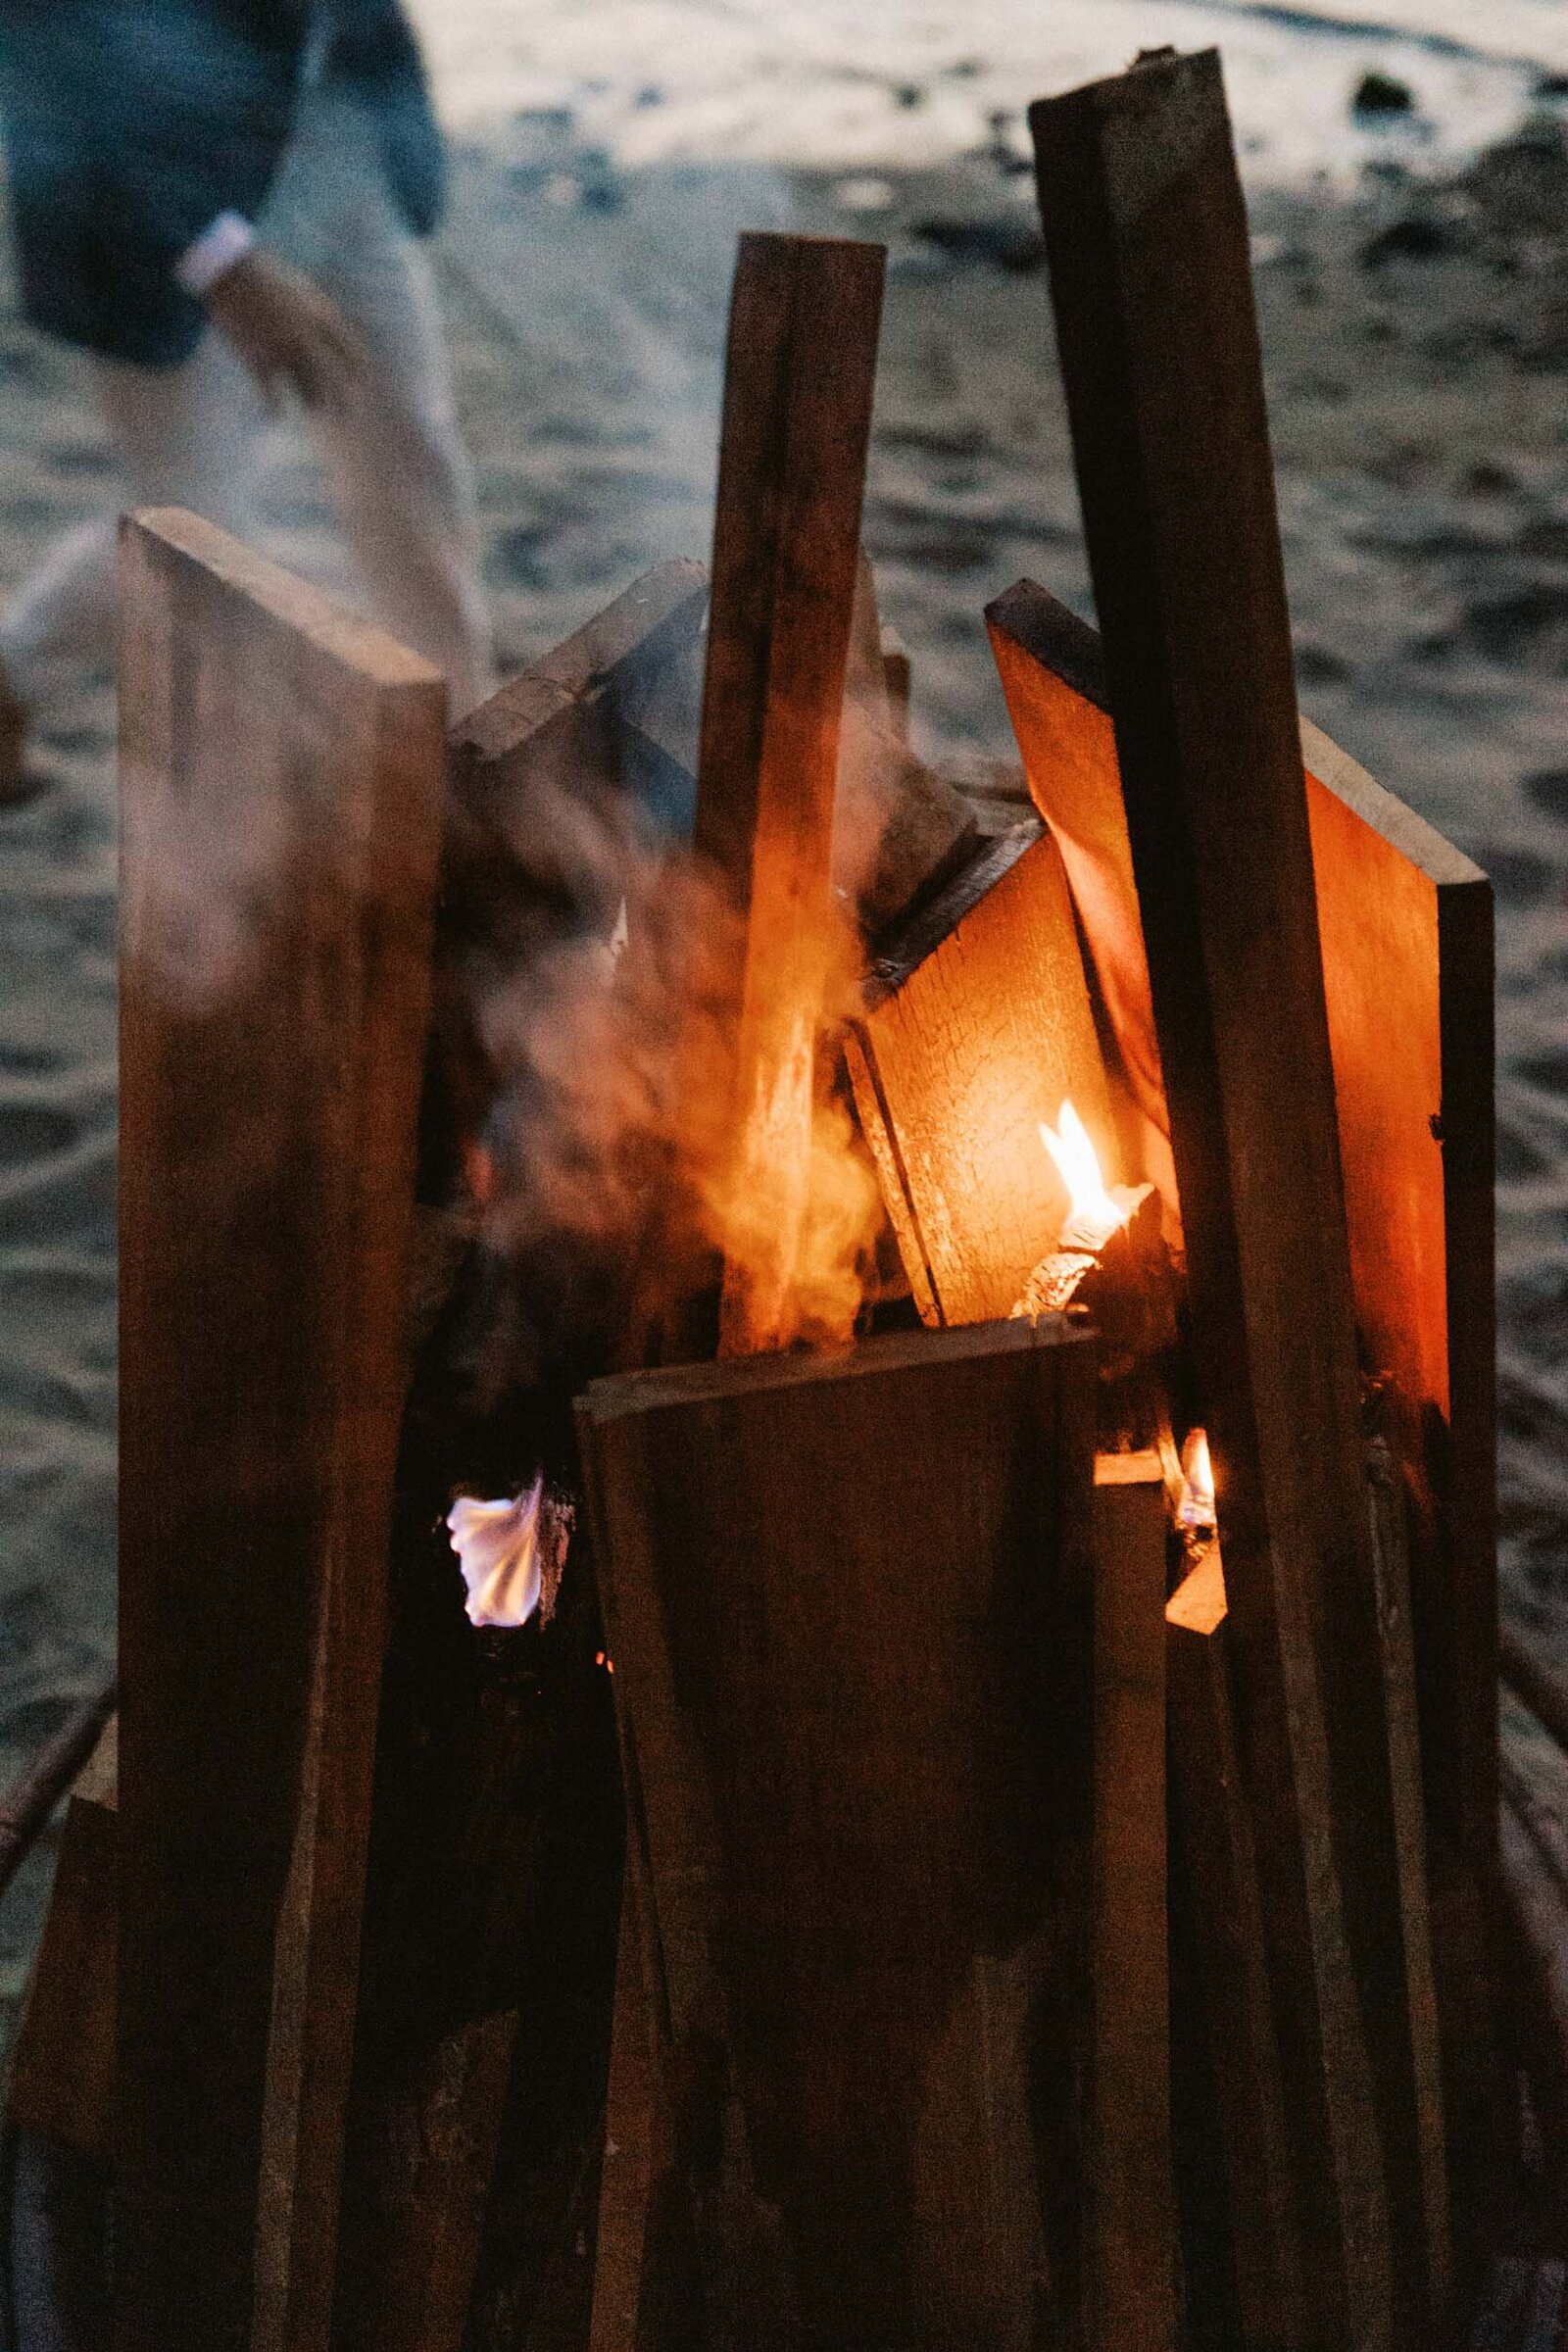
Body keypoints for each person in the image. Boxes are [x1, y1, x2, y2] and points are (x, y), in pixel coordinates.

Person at [0, 0, 495, 799]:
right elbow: (53, 56)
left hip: (341, 146)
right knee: (196, 532)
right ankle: (14, 669)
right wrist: (220, 258)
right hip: (147, 196)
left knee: (414, 464)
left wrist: (403, 139)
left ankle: (460, 756)